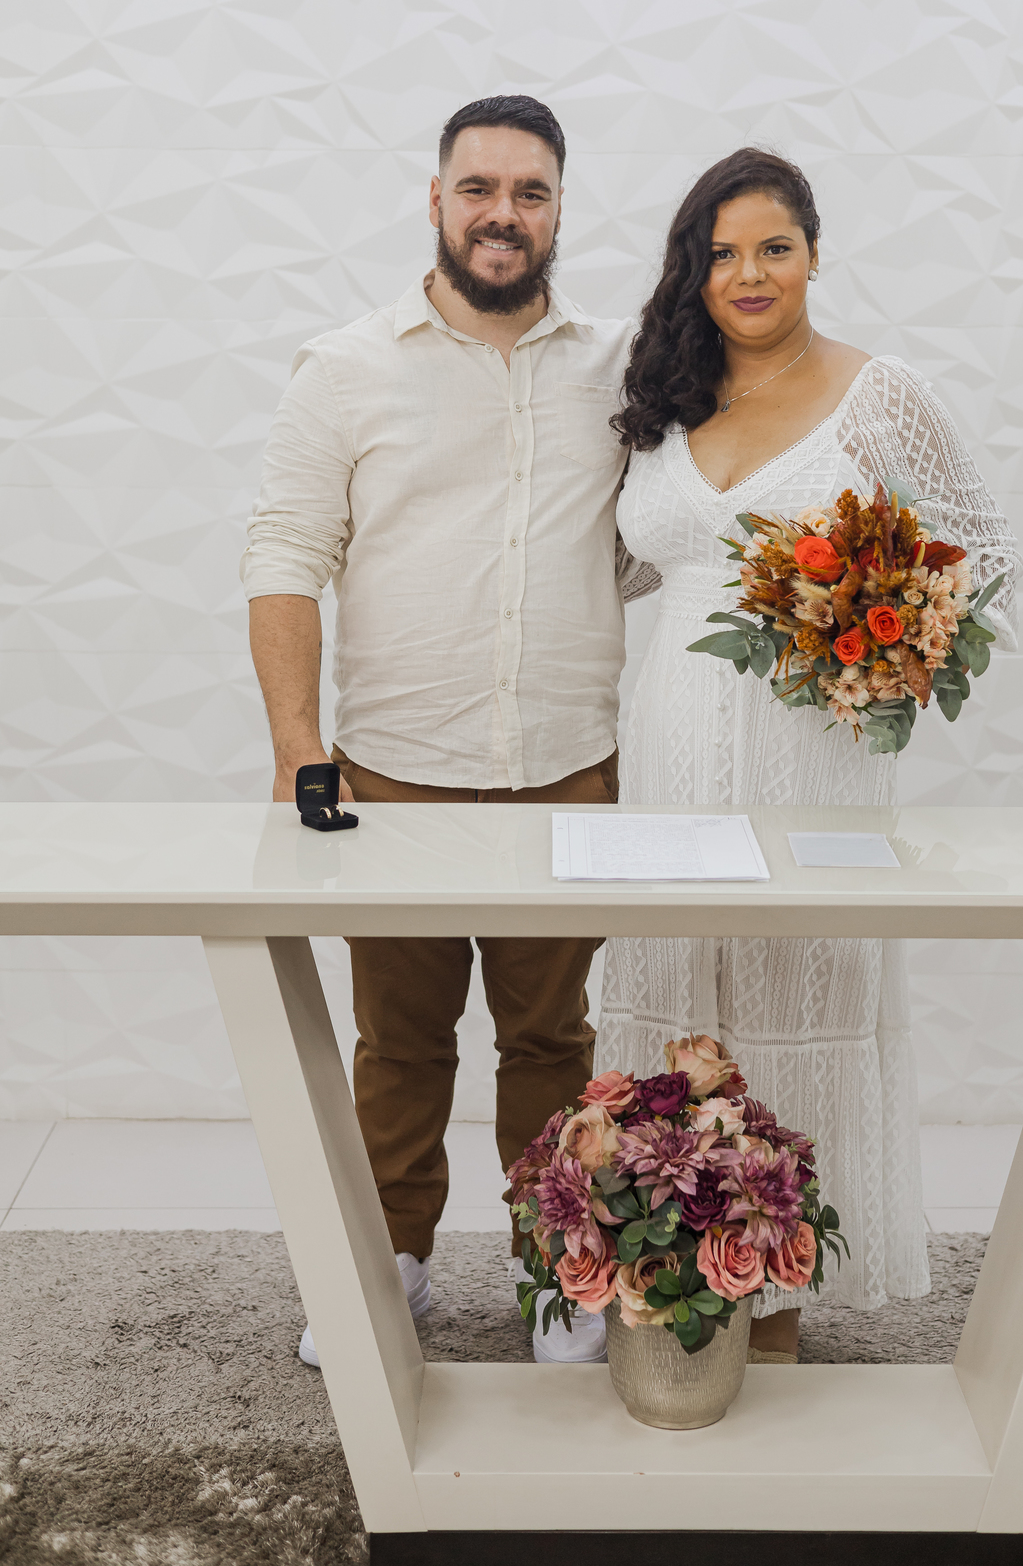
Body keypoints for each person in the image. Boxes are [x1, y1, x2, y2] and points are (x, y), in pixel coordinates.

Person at [242, 94, 654, 1367]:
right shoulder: (346, 365)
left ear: (559, 212)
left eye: (529, 194)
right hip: (393, 779)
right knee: (401, 1044)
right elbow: (286, 553)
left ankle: (555, 1275)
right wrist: (297, 742)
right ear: (435, 200)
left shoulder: (623, 366)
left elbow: (658, 542)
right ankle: (393, 1267)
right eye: (478, 189)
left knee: (553, 1044)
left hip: (566, 771)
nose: (501, 214)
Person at [598, 147, 1022, 1362]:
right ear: (694, 268)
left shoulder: (879, 393)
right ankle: (674, 1275)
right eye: (721, 252)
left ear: (814, 256)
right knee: (676, 989)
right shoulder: (668, 397)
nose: (748, 272)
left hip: (814, 750)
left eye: (773, 248)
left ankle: (781, 1299)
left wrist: (871, 647)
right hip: (668, 737)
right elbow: (635, 564)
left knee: (797, 983)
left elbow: (982, 552)